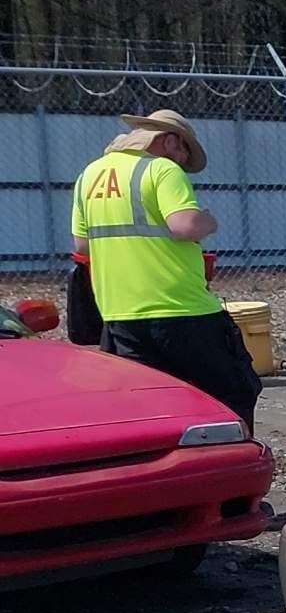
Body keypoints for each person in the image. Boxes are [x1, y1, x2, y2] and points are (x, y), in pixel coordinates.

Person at [68, 109, 262, 429]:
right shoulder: (161, 170)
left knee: (150, 407)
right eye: (183, 153)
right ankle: (227, 469)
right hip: (182, 311)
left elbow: (82, 244)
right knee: (232, 396)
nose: (183, 163)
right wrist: (208, 221)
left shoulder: (90, 175)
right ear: (169, 141)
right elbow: (184, 225)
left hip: (121, 315)